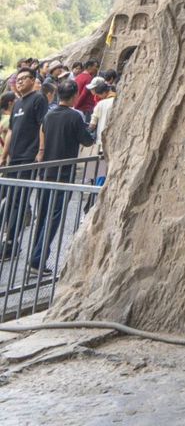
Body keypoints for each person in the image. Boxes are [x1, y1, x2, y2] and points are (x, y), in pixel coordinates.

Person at [28, 80, 95, 278]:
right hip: (63, 174)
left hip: (46, 172)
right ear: (74, 96)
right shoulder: (75, 117)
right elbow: (87, 140)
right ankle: (38, 261)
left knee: (42, 216)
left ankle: (35, 258)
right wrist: (91, 130)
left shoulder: (49, 115)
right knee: (53, 218)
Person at [0, 69, 48, 257]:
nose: (19, 82)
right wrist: (4, 156)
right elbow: (11, 131)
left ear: (32, 80)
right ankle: (7, 239)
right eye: (17, 80)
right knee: (11, 198)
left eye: (23, 79)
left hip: (28, 157)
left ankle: (11, 241)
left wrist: (40, 151)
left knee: (19, 200)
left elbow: (42, 125)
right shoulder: (18, 103)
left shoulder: (38, 100)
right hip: (14, 159)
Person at [89, 80, 115, 157]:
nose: (98, 97)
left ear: (104, 93)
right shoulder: (118, 100)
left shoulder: (101, 104)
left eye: (98, 95)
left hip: (102, 139)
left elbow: (93, 123)